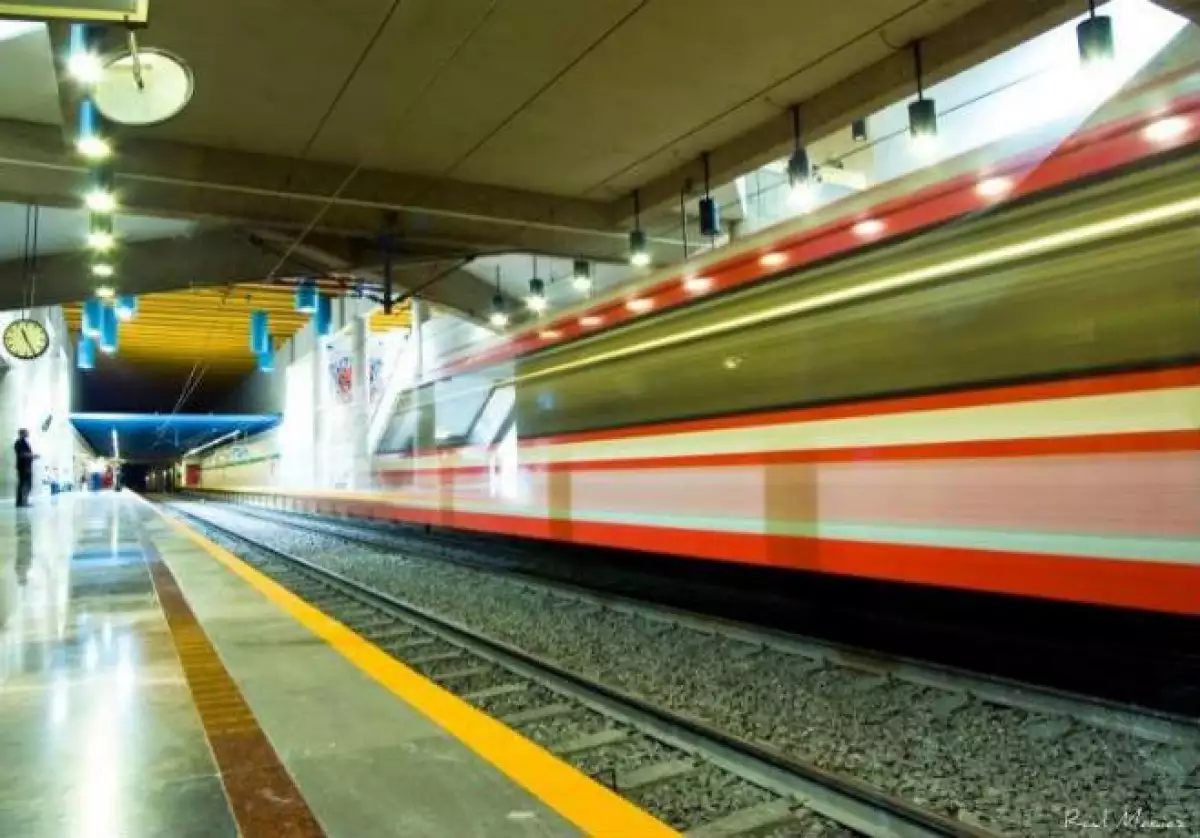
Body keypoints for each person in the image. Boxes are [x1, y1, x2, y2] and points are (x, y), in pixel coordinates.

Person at [13, 429, 37, 508]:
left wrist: (32, 456)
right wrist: (32, 456)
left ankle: (23, 501)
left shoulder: (24, 442)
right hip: (23, 467)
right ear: (22, 433)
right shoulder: (19, 442)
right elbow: (22, 454)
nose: (28, 433)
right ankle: (22, 502)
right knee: (24, 484)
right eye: (26, 432)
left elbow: (26, 454)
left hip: (27, 466)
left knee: (26, 484)